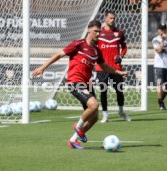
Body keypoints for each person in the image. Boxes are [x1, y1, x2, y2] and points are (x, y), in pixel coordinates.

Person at [32, 20, 127, 150]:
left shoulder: (97, 51)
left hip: (87, 84)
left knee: (94, 118)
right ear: (89, 30)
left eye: (99, 32)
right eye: (95, 31)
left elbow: (104, 66)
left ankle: (72, 140)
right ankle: (78, 127)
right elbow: (59, 55)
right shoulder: (78, 44)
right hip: (74, 82)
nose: (98, 34)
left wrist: (117, 71)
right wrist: (43, 67)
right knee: (94, 105)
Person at [96, 11, 131, 123]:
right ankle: (105, 115)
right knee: (103, 91)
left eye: (114, 18)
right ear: (105, 18)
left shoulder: (119, 33)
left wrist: (120, 56)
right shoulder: (99, 33)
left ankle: (121, 112)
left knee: (119, 90)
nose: (113, 20)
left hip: (116, 68)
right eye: (110, 18)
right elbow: (93, 47)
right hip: (102, 67)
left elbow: (124, 47)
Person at [152, 23, 167, 110]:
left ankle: (160, 100)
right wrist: (162, 41)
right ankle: (161, 104)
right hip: (159, 65)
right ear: (158, 30)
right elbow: (159, 50)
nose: (163, 30)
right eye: (161, 29)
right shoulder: (155, 40)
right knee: (159, 84)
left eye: (164, 29)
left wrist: (164, 49)